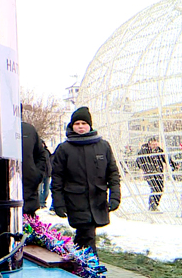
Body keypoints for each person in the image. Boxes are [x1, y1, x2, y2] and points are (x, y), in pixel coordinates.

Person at [51, 107, 121, 254]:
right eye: (77, 123)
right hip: (76, 200)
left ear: (90, 125)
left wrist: (115, 196)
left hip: (98, 200)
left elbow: (113, 173)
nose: (81, 126)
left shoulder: (103, 146)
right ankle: (91, 267)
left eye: (84, 123)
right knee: (87, 234)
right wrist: (58, 202)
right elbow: (57, 178)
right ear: (72, 126)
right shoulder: (64, 148)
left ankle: (79, 265)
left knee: (85, 236)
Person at [136, 137, 175, 212]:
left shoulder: (159, 151)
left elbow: (166, 159)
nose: (155, 146)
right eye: (153, 144)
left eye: (156, 144)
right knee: (154, 188)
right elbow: (138, 161)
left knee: (160, 188)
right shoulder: (144, 151)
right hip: (149, 173)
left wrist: (173, 165)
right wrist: (145, 167)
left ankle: (155, 204)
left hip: (159, 172)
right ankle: (152, 205)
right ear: (149, 143)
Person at [21, 114, 47, 217]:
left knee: (28, 231)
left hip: (28, 196)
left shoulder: (29, 130)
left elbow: (41, 155)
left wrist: (36, 175)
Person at [37, 139, 53, 210]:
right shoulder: (36, 152)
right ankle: (41, 203)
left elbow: (50, 162)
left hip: (48, 173)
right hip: (40, 173)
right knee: (39, 190)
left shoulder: (47, 152)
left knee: (46, 190)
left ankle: (43, 202)